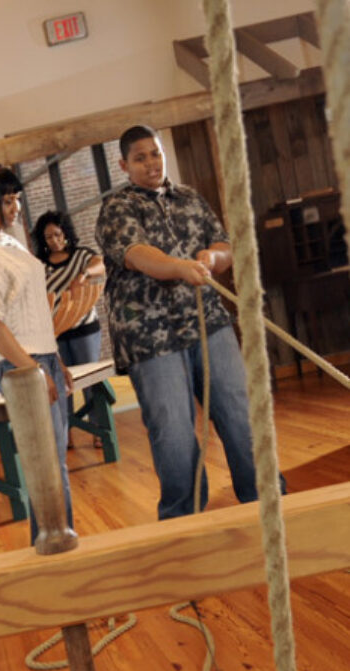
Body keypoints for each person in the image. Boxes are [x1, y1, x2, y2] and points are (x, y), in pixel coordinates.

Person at [95, 124, 285, 520]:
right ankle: (183, 524)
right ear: (124, 165)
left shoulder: (191, 199)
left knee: (239, 413)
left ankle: (272, 506)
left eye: (156, 153)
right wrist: (178, 267)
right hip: (150, 338)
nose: (152, 163)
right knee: (174, 432)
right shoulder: (118, 207)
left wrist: (213, 260)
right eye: (141, 157)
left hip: (209, 323)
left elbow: (223, 245)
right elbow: (136, 254)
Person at [0, 157, 75, 541]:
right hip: (17, 365)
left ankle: (56, 546)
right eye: (6, 200)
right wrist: (33, 371)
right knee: (47, 469)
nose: (15, 208)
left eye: (16, 199)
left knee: (55, 466)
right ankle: (54, 551)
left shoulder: (8, 240)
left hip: (39, 359)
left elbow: (33, 310)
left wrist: (55, 360)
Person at [32, 210, 106, 448]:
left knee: (91, 382)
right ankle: (68, 434)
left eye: (57, 235)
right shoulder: (40, 266)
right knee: (63, 385)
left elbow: (100, 264)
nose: (54, 241)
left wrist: (83, 275)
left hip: (85, 330)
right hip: (56, 333)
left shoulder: (81, 256)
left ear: (66, 233)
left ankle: (99, 431)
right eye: (48, 238)